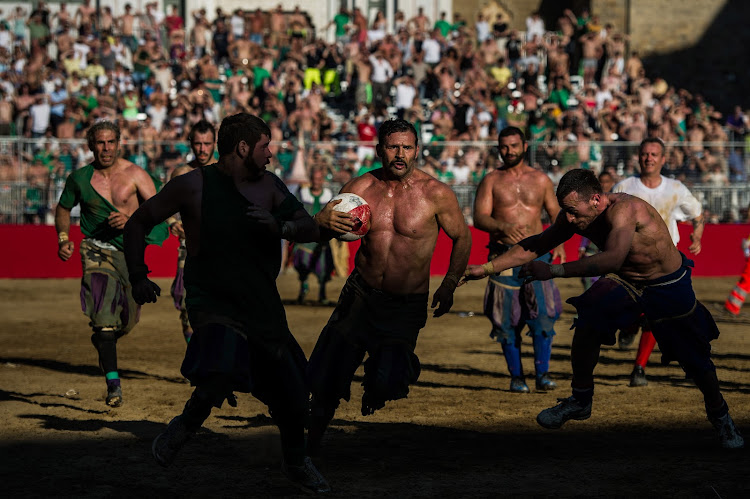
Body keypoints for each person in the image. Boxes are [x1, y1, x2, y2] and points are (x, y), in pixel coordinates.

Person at [462, 169, 743, 450]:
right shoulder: (576, 214)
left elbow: (611, 258)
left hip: (668, 284)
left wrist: (553, 270)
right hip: (628, 281)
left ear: (596, 199)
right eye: (566, 212)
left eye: (573, 211)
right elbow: (537, 243)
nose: (569, 219)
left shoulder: (625, 209)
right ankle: (581, 400)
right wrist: (486, 268)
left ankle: (721, 416)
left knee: (695, 361)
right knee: (588, 322)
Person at [123, 113, 330, 493]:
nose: (270, 154)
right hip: (213, 300)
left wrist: (278, 226)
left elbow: (310, 227)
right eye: (265, 146)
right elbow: (139, 221)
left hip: (261, 304)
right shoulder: (191, 185)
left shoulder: (270, 186)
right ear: (243, 147)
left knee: (295, 395)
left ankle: (297, 462)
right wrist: (138, 274)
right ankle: (184, 426)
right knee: (220, 367)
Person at [307, 119, 472, 455]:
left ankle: (380, 384)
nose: (400, 154)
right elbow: (326, 232)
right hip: (360, 296)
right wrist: (321, 222)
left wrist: (450, 284)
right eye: (393, 147)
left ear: (417, 150)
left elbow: (462, 237)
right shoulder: (360, 188)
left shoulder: (436, 193)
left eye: (407, 147)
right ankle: (307, 448)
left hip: (405, 304)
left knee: (389, 380)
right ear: (379, 149)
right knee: (328, 377)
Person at [54, 120, 168, 407]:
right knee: (104, 320)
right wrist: (64, 237)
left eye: (110, 142)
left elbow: (157, 213)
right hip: (95, 251)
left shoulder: (136, 174)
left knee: (126, 322)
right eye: (100, 143)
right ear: (92, 146)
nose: (106, 148)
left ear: (119, 143)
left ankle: (106, 340)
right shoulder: (79, 178)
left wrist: (131, 221)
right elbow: (63, 208)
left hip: (129, 256)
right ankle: (113, 385)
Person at [472, 126, 565, 393]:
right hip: (503, 255)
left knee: (544, 316)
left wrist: (558, 244)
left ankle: (543, 375)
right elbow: (480, 217)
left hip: (537, 253)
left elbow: (557, 215)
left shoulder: (541, 180)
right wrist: (501, 226)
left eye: (513, 145)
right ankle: (516, 377)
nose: (508, 151)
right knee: (505, 320)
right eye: (503, 146)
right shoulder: (491, 180)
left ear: (525, 146)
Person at [612, 138, 704, 387]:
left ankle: (639, 368)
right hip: (631, 264)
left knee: (660, 316)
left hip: (666, 264)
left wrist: (698, 231)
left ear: (663, 159)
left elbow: (697, 213)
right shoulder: (624, 187)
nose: (649, 158)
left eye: (654, 154)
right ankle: (630, 327)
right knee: (635, 313)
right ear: (638, 157)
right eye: (645, 154)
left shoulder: (675, 188)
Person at [166, 120, 217, 343]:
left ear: (215, 143)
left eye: (207, 143)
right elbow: (164, 205)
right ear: (191, 144)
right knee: (188, 307)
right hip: (190, 250)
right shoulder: (181, 174)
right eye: (198, 143)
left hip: (222, 250)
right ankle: (198, 362)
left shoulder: (228, 174)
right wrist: (171, 222)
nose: (202, 149)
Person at [292, 167, 335, 304]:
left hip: (322, 237)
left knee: (323, 267)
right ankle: (303, 288)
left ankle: (322, 293)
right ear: (311, 180)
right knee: (303, 264)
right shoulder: (302, 194)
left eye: (319, 179)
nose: (316, 182)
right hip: (305, 237)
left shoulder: (329, 195)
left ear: (322, 180)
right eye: (314, 179)